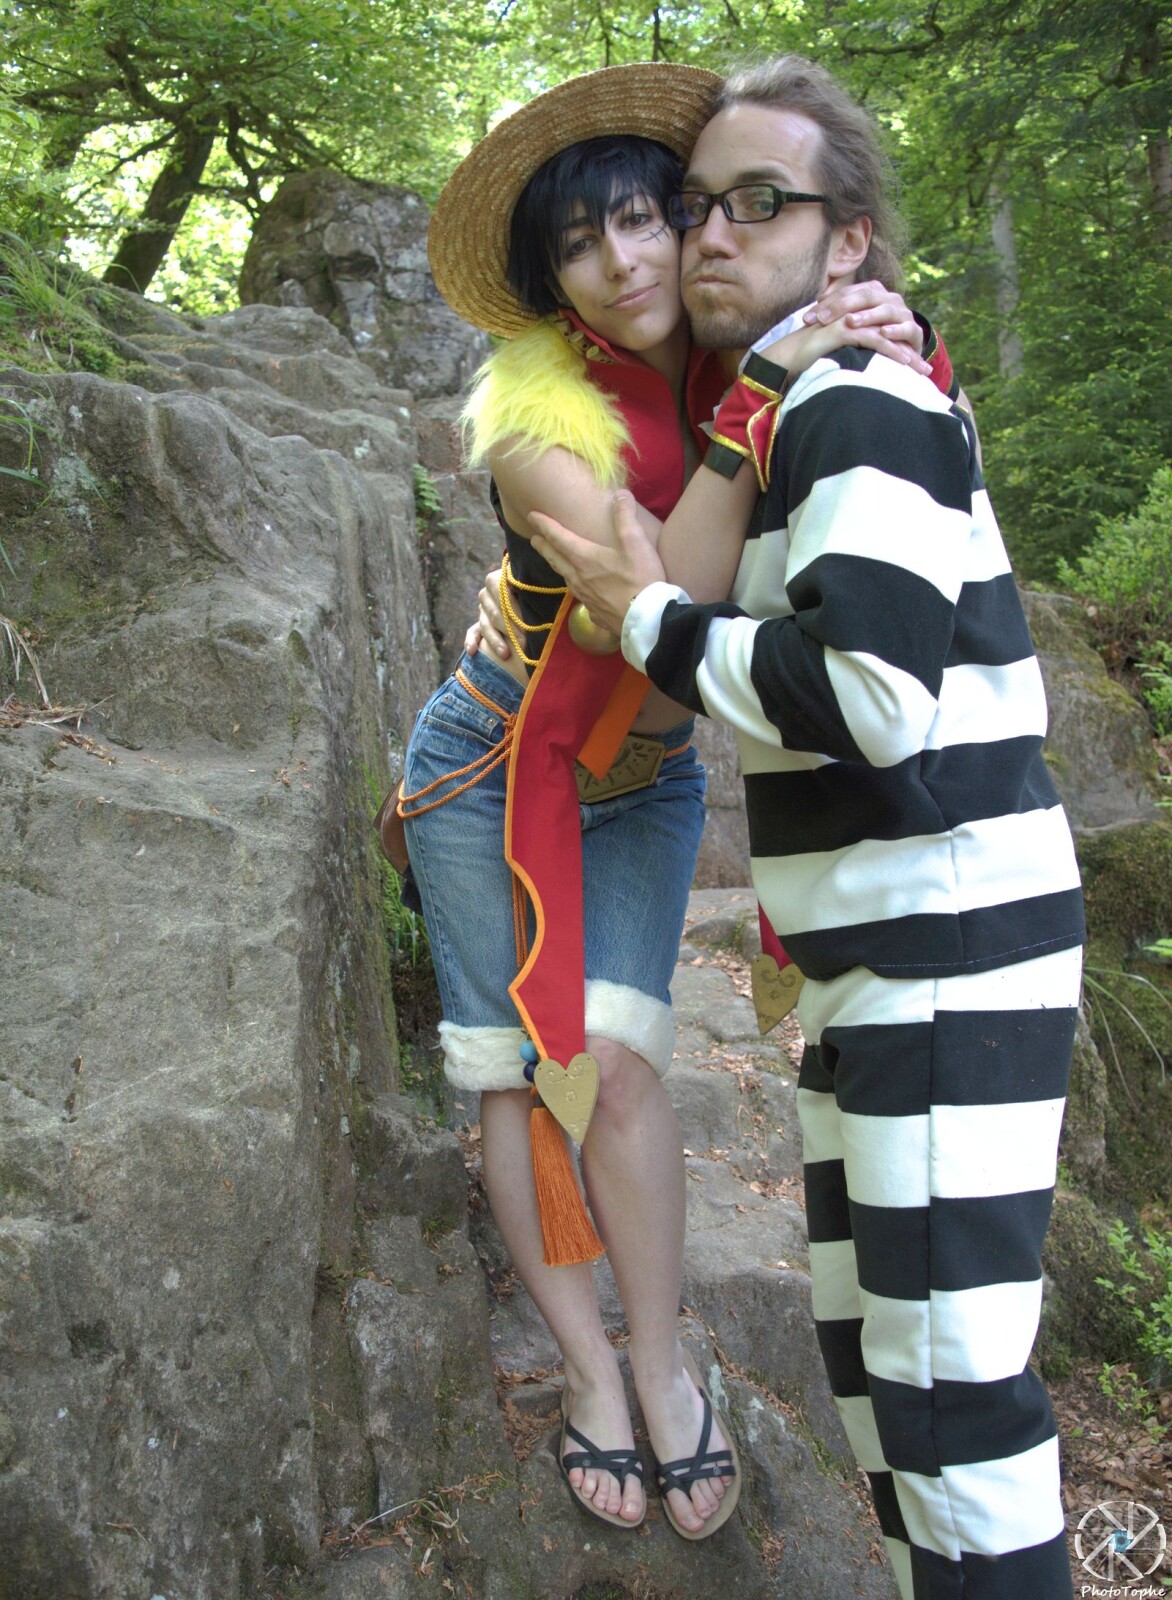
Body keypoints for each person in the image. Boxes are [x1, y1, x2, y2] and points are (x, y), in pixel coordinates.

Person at [527, 55, 1085, 1599]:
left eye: (757, 203)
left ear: (848, 241)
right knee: (890, 1383)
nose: (709, 233)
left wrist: (647, 618)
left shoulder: (854, 398)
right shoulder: (797, 402)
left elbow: (873, 699)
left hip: (946, 955)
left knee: (949, 1405)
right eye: (698, 201)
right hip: (888, 964)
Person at [402, 61, 948, 1542]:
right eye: (580, 245)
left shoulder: (731, 352)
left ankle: (661, 1358)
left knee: (623, 1069)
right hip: (493, 766)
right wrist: (766, 392)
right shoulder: (534, 412)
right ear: (549, 281)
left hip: (643, 784)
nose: (625, 263)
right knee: (519, 1077)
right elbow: (660, 604)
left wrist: (883, 329)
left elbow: (852, 388)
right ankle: (588, 1372)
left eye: (645, 220)